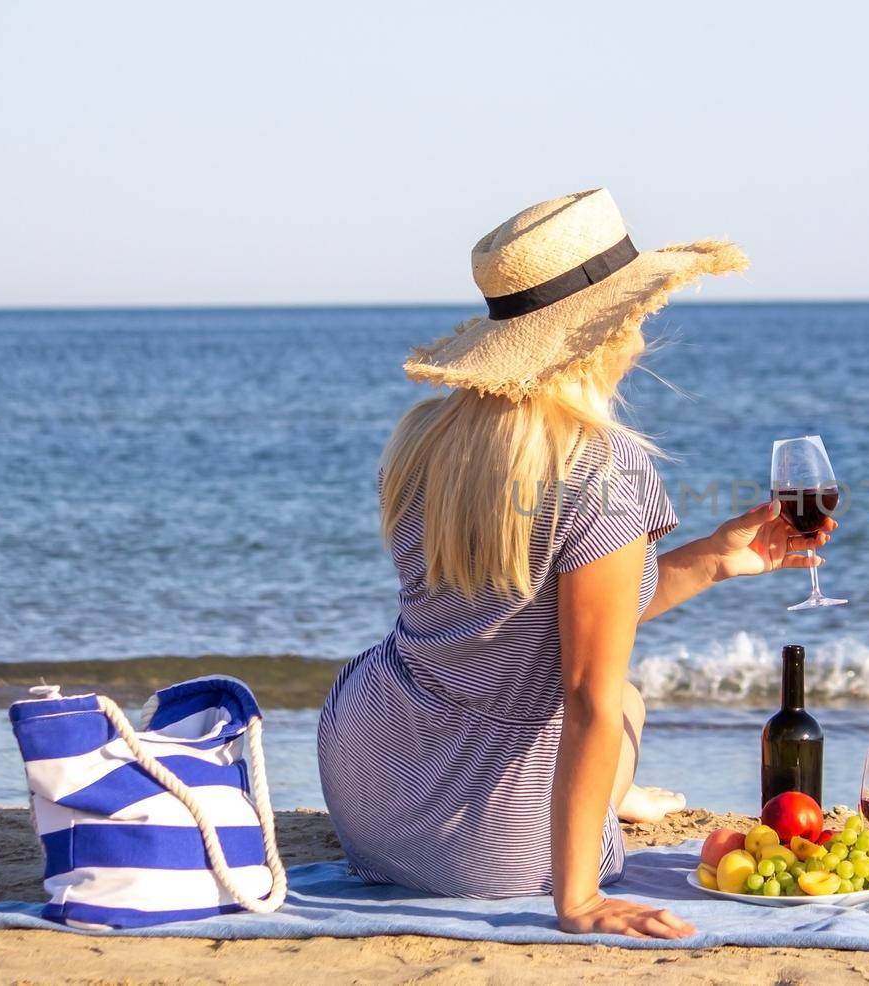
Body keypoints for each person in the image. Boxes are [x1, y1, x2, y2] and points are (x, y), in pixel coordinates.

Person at [317, 189, 835, 939]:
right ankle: (604, 805)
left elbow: (517, 622)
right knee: (622, 700)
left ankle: (601, 795)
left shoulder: (424, 438)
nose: (645, 328)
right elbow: (587, 692)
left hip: (368, 785)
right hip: (484, 855)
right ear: (608, 331)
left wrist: (716, 559)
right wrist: (578, 898)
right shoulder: (605, 467)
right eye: (638, 313)